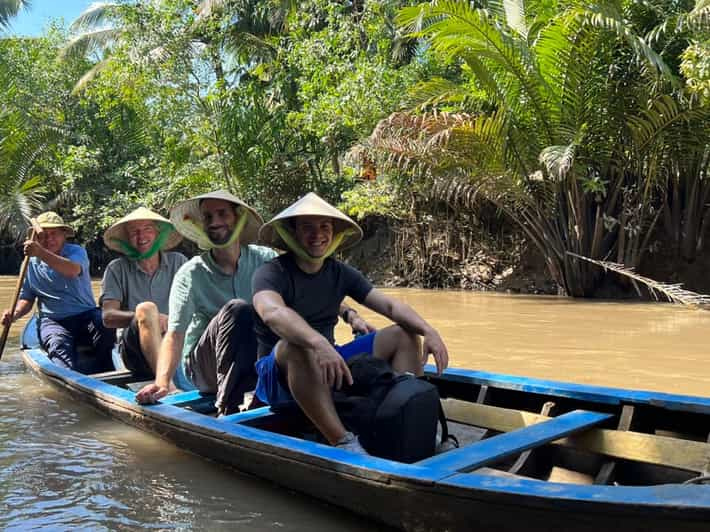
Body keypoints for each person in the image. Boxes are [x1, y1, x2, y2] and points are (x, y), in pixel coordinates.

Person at [252, 192, 449, 454]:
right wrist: (318, 342)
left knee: (405, 333)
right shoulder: (271, 272)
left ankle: (416, 426)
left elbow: (389, 306)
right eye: (307, 227)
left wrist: (429, 330)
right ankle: (344, 442)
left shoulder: (340, 272)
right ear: (293, 232)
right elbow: (272, 312)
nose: (317, 235)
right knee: (297, 345)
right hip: (277, 373)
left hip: (329, 358)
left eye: (324, 227)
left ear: (334, 233)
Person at [135, 190, 277, 415]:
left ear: (237, 219)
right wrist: (162, 383)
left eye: (222, 214)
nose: (214, 222)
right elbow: (175, 334)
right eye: (208, 217)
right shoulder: (191, 273)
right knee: (238, 310)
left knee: (276, 319)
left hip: (255, 361)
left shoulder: (265, 259)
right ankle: (228, 408)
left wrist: (348, 313)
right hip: (204, 369)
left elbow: (299, 299)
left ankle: (267, 394)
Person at [1, 211, 114, 373]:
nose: (48, 239)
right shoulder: (30, 263)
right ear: (36, 238)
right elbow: (27, 297)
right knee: (58, 345)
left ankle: (106, 368)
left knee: (106, 324)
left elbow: (72, 270)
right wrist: (15, 313)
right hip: (54, 321)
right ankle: (69, 380)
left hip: (85, 315)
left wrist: (40, 252)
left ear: (64, 235)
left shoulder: (76, 252)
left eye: (54, 234)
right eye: (43, 235)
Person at [100, 207, 187, 380]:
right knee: (146, 309)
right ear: (126, 239)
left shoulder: (179, 262)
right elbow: (108, 316)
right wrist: (149, 319)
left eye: (147, 229)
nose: (141, 237)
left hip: (177, 342)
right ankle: (166, 385)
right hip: (136, 350)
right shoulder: (117, 268)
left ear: (157, 233)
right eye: (134, 233)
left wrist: (170, 321)